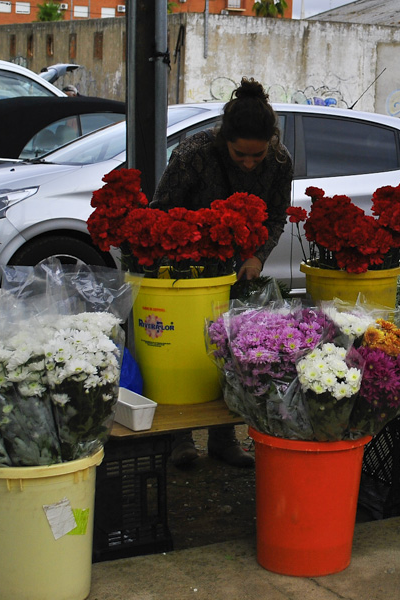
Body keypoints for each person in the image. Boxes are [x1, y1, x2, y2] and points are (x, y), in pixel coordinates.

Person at [152, 77, 293, 468]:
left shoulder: (280, 161)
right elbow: (163, 207)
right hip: (187, 269)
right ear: (224, 139)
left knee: (232, 355)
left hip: (238, 270)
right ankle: (179, 437)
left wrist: (258, 257)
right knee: (186, 355)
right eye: (240, 155)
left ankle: (223, 437)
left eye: (257, 156)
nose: (249, 163)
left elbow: (277, 215)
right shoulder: (193, 153)